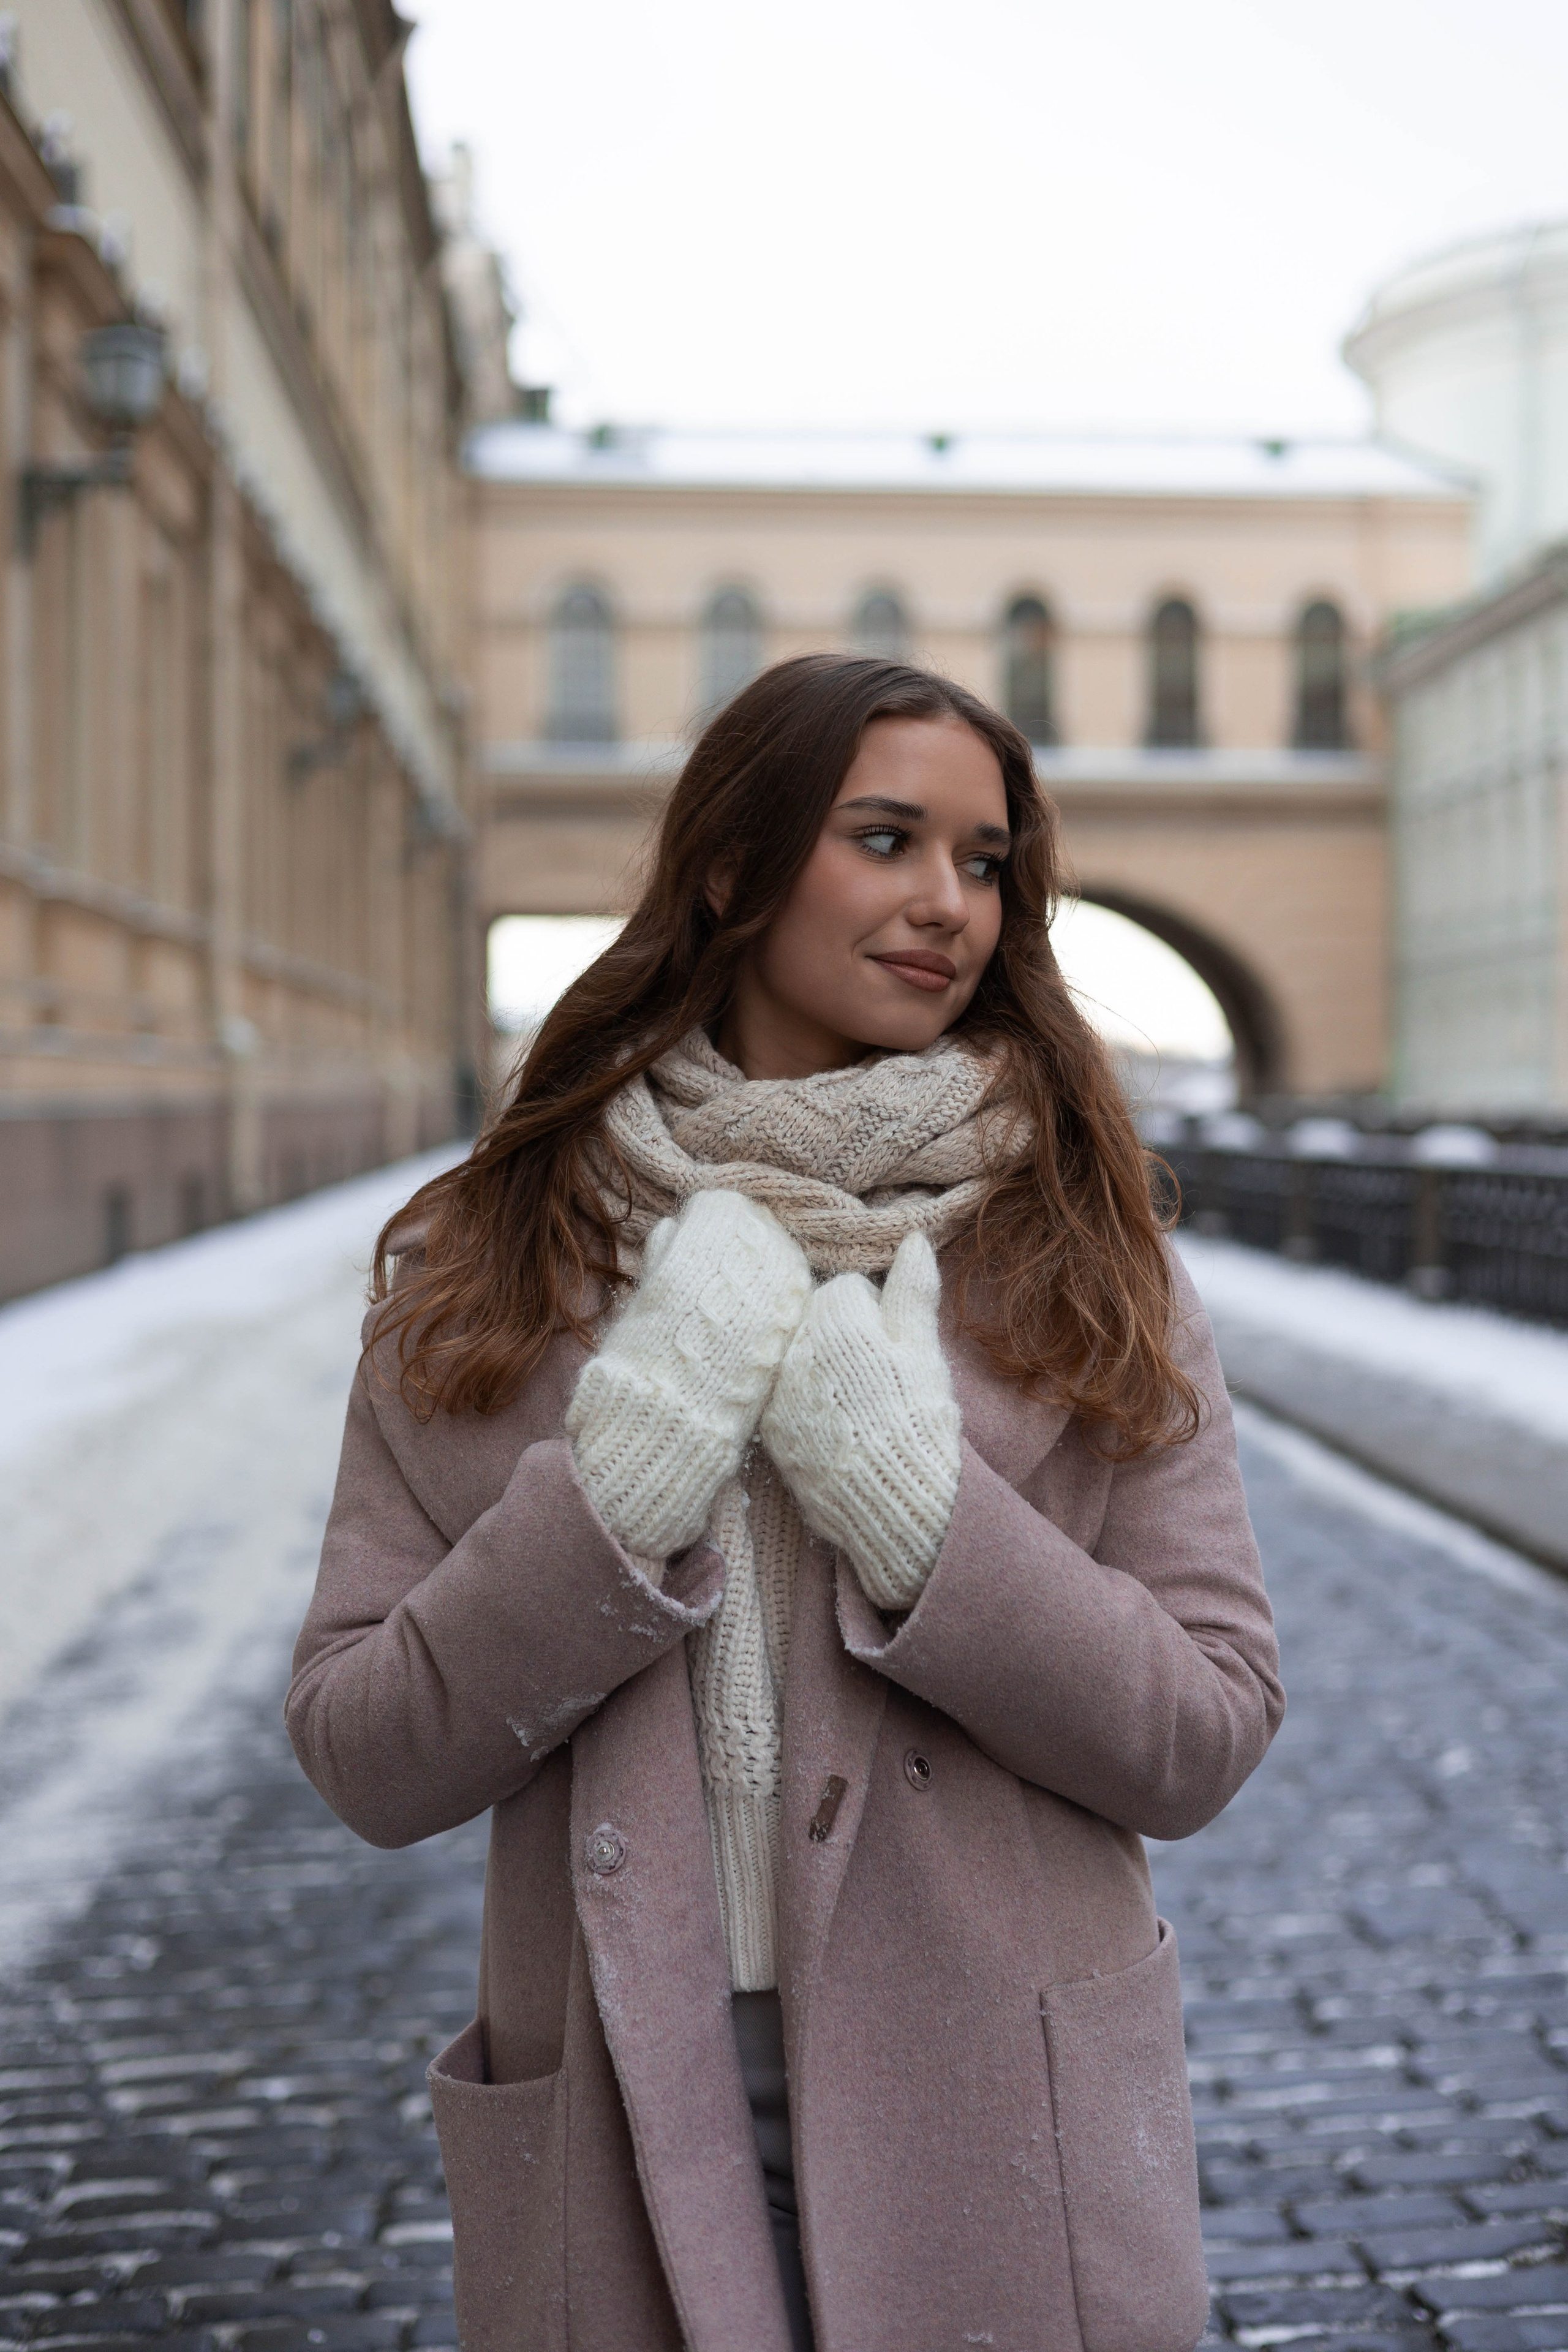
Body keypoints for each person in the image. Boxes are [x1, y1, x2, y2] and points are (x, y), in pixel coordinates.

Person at [287, 654, 1283, 2352]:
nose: (945, 906)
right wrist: (626, 1480)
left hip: (996, 2106)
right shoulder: (493, 1264)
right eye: (886, 838)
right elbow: (368, 1754)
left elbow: (1202, 1734)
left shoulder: (1087, 1260)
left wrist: (924, 1523)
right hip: (619, 2097)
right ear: (736, 867)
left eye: (986, 864)